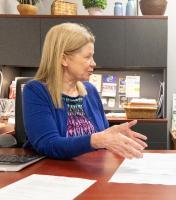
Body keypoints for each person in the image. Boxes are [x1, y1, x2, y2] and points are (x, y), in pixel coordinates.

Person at [23, 23, 147, 160]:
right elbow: (48, 144)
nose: (93, 63)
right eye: (88, 57)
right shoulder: (35, 91)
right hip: (55, 176)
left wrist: (113, 134)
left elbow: (102, 138)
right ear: (64, 59)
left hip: (93, 172)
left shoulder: (90, 90)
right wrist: (96, 140)